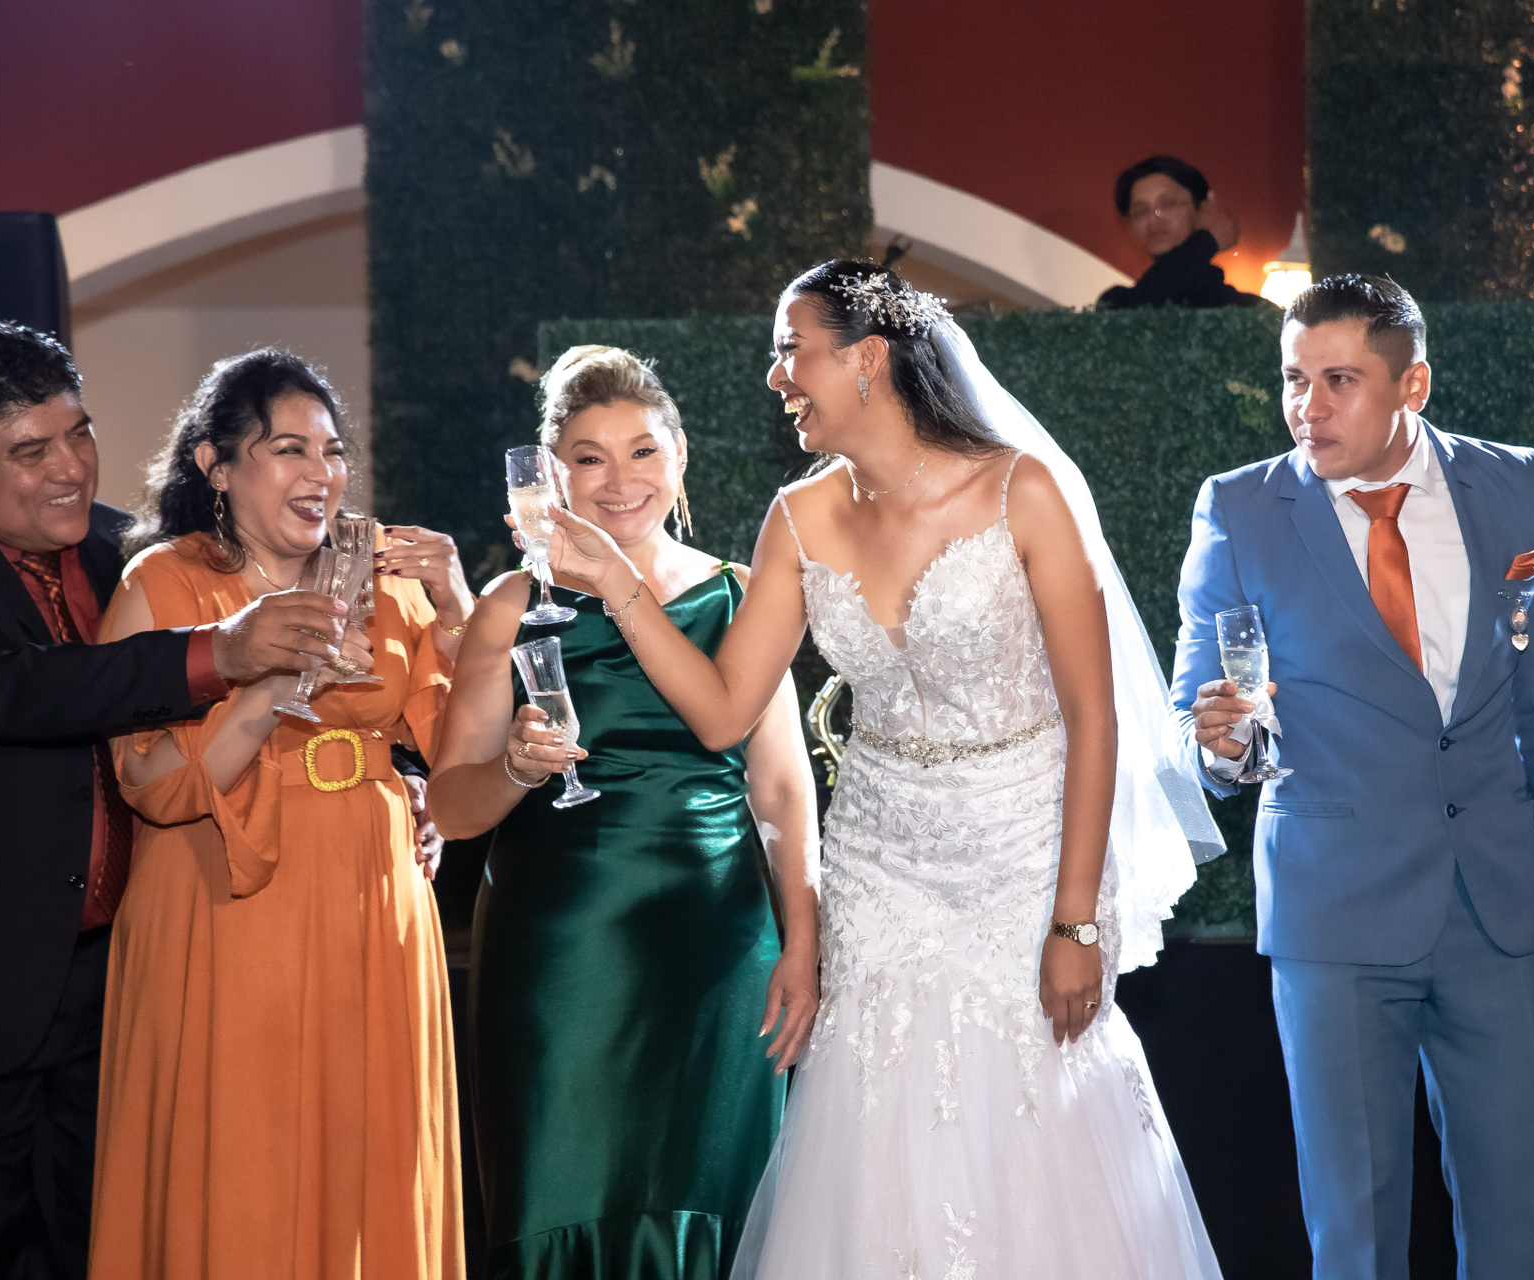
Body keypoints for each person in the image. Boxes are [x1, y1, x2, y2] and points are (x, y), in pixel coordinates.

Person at [533, 261, 1224, 1278]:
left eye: (791, 350)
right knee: (881, 1119)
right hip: (878, 864)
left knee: (1032, 1124)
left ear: (865, 357)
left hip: (1023, 853)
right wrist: (617, 584)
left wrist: (1076, 918)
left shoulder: (1020, 490)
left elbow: (1095, 714)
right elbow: (723, 710)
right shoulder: (800, 516)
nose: (776, 377)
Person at [1172, 274, 1534, 1278]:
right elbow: (1204, 705)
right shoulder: (1240, 507)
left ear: (1413, 384)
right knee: (1355, 1236)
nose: (1307, 406)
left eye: (1339, 380)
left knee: (1515, 1222)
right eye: (1294, 379)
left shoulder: (1515, 482)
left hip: (1500, 908)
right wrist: (1223, 744)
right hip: (1334, 913)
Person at [431, 345, 821, 1279]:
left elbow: (780, 789)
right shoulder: (511, 607)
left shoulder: (740, 595)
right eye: (589, 457)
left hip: (721, 952)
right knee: (557, 1204)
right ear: (553, 476)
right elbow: (451, 803)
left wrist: (804, 943)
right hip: (559, 957)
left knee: (720, 1209)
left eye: (642, 451)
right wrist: (516, 768)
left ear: (679, 456)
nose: (619, 480)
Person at [0, 324, 350, 1280]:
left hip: (123, 972)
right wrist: (223, 651)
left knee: (110, 1237)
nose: (71, 468)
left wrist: (408, 786)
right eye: (30, 451)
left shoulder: (125, 551)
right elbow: (16, 692)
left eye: (80, 433)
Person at [87, 350, 473, 1280]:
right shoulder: (164, 582)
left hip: (374, 908)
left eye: (333, 451)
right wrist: (266, 686)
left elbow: (467, 754)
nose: (322, 473)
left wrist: (459, 608)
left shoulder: (384, 578)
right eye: (289, 449)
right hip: (221, 909)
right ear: (217, 466)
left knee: (368, 1160)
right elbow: (153, 787)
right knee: (240, 1163)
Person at [1097, 155, 1267, 311]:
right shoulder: (1117, 304)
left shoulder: (1253, 310)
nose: (1153, 220)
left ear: (1204, 207)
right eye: (1140, 212)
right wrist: (1208, 240)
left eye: (1168, 204)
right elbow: (1147, 301)